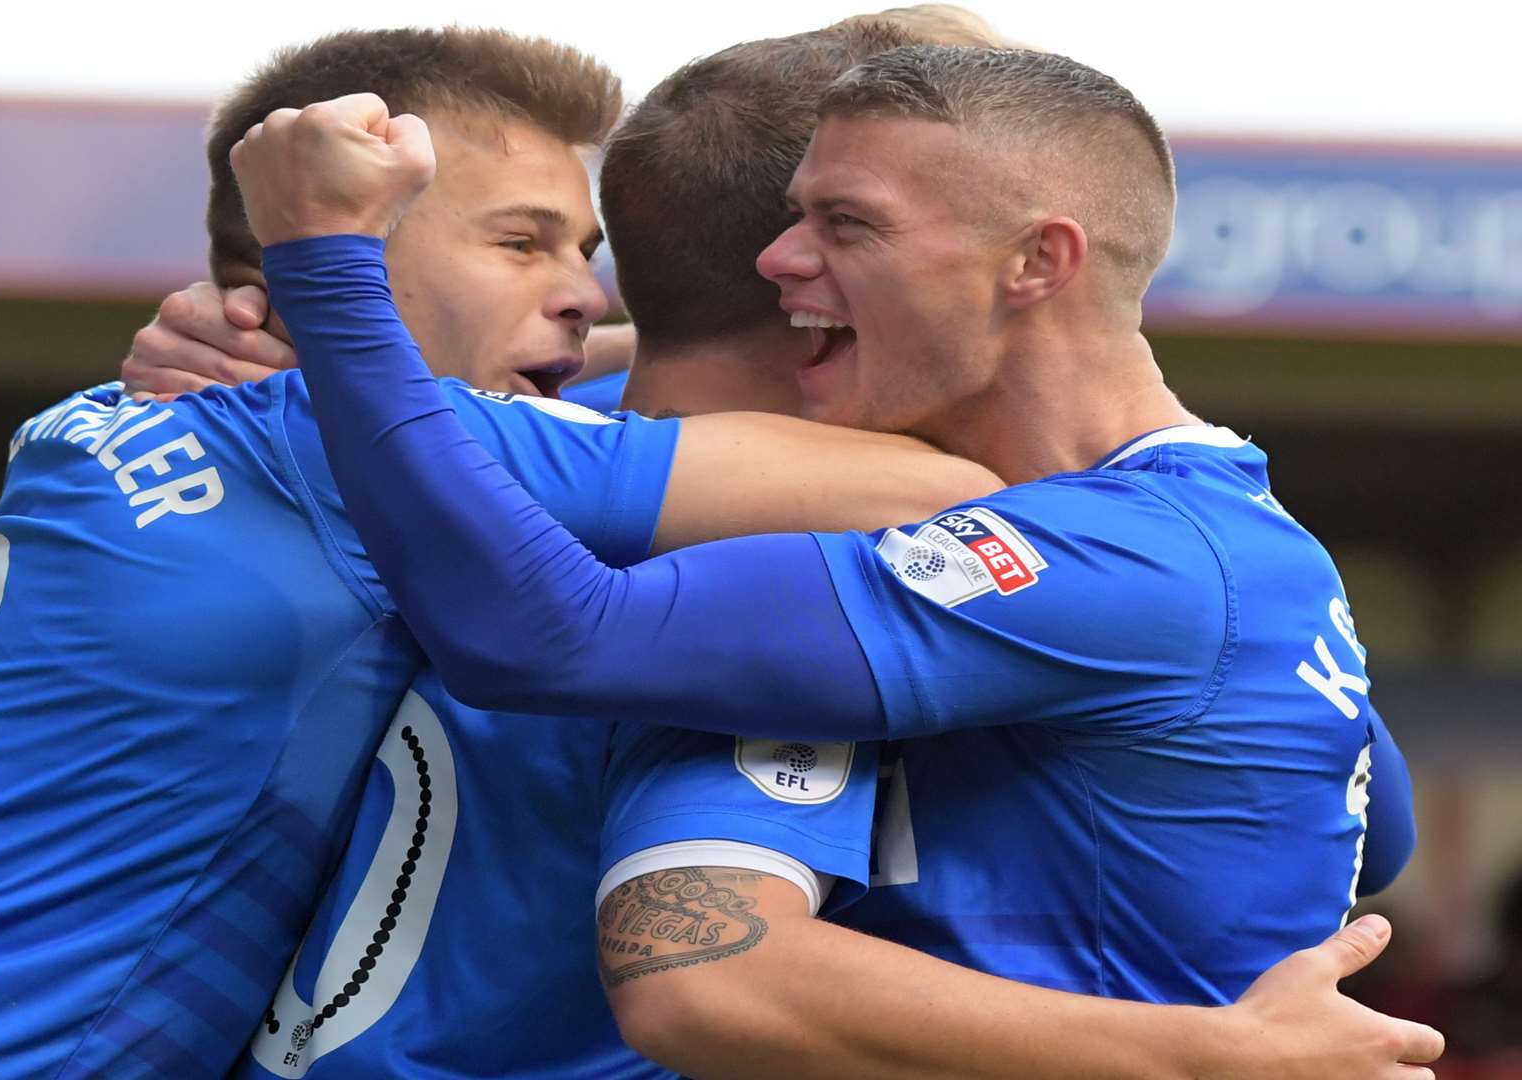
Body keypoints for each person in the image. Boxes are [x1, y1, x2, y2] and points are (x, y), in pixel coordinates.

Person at [0, 27, 1000, 1080]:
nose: (582, 293)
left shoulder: (131, 421)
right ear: (341, 256)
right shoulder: (342, 442)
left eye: (586, 250)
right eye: (524, 242)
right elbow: (925, 478)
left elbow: (615, 395)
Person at [230, 44, 1436, 1077]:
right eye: (793, 215)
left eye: (846, 225)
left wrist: (327, 271)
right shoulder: (1225, 542)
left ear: (1037, 263)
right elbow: (1375, 826)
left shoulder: (1107, 563)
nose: (780, 261)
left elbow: (550, 641)